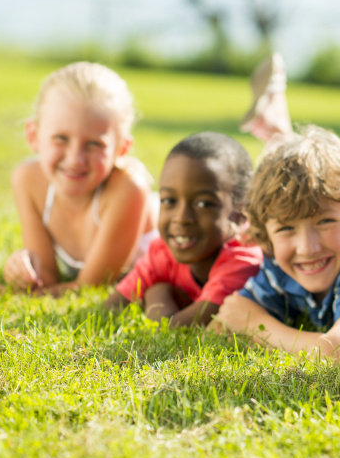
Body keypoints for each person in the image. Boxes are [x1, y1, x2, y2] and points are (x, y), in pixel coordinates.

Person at [207, 125, 340, 362]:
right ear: (266, 234)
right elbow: (227, 320)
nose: (307, 248)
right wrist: (243, 318)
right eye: (285, 228)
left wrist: (256, 325)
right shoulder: (279, 265)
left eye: (325, 221)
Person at [0, 61, 157, 295]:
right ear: (34, 135)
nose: (75, 160)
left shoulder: (129, 189)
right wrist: (25, 270)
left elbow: (91, 287)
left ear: (121, 148)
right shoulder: (28, 180)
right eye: (60, 138)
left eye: (94, 144)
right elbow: (47, 278)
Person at [105, 132, 263, 327]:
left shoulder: (243, 260)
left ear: (241, 212)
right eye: (169, 201)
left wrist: (157, 294)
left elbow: (178, 330)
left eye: (204, 204)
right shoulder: (163, 251)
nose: (181, 218)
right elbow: (110, 308)